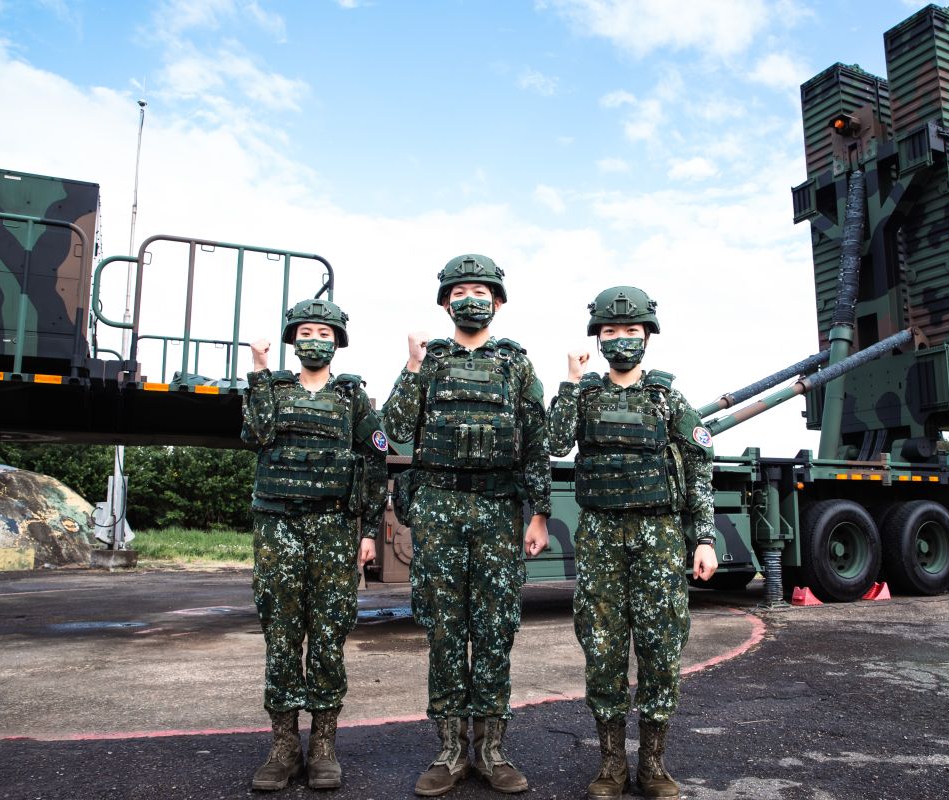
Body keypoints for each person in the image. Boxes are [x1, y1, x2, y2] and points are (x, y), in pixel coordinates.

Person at [382, 254, 551, 796]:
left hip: (499, 511)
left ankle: (494, 751)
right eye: (459, 292)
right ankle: (451, 752)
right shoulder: (428, 362)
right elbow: (394, 428)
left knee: (496, 629)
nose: (470, 299)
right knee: (445, 630)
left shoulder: (516, 364)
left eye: (480, 290)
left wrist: (539, 512)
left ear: (497, 302)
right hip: (439, 510)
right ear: (446, 303)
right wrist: (410, 364)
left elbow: (536, 442)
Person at [546, 286, 718, 800]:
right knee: (602, 649)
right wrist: (572, 382)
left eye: (631, 332)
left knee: (661, 648)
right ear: (597, 338)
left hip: (659, 535)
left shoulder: (667, 398)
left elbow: (699, 465)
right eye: (611, 332)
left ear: (648, 337)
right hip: (600, 535)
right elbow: (555, 442)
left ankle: (655, 764)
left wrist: (703, 538)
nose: (621, 340)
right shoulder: (587, 393)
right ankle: (610, 764)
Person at [241, 298, 388, 792]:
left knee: (328, 635)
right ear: (292, 337)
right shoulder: (274, 389)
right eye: (306, 331)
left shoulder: (353, 398)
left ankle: (323, 746)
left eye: (324, 334)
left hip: (334, 528)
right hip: (278, 526)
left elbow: (373, 461)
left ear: (336, 342)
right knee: (282, 636)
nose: (314, 340)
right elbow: (256, 434)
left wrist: (368, 530)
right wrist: (259, 371)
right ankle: (283, 747)